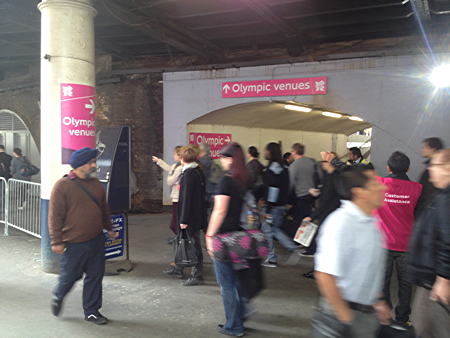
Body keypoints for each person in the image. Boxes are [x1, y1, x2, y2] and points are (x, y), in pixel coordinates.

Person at [312, 166, 392, 338]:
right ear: (359, 192)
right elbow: (325, 275)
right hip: (341, 314)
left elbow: (369, 268)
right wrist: (346, 319)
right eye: (375, 183)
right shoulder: (340, 224)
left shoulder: (371, 222)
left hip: (366, 314)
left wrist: (378, 301)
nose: (383, 187)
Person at [48, 147, 118, 325]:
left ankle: (92, 311)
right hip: (73, 243)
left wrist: (109, 228)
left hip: (96, 240)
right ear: (79, 166)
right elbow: (55, 216)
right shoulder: (62, 186)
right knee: (70, 276)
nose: (94, 165)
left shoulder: (96, 184)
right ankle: (58, 294)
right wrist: (56, 241)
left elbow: (103, 209)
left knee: (95, 276)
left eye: (94, 162)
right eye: (90, 163)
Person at [205, 142, 254, 337]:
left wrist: (209, 235)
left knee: (227, 284)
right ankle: (239, 319)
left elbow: (220, 210)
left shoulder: (226, 181)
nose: (222, 161)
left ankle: (234, 326)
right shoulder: (245, 179)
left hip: (224, 238)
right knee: (238, 282)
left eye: (225, 157)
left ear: (232, 159)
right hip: (242, 238)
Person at [374, 151, 422, 327]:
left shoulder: (378, 184)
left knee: (383, 282)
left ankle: (385, 317)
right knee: (405, 283)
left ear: (388, 167)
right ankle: (402, 318)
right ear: (408, 168)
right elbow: (418, 215)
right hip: (407, 245)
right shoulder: (417, 189)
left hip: (383, 244)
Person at [408, 148, 450, 338]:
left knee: (427, 327)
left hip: (434, 282)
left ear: (448, 168)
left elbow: (447, 239)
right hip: (432, 278)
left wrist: (443, 279)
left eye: (434, 165)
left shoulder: (445, 199)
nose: (430, 169)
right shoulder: (441, 195)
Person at [165, 145, 207, 286]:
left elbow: (187, 199)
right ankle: (180, 267)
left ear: (182, 158)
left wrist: (183, 219)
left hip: (190, 216)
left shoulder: (189, 174)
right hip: (197, 214)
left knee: (193, 244)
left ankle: (197, 275)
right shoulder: (197, 171)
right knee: (188, 241)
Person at [301, 160, 342, 278]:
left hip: (327, 216)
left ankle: (319, 271)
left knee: (322, 245)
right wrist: (319, 192)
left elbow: (326, 201)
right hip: (332, 215)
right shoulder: (335, 177)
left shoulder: (330, 178)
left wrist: (312, 216)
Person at [261, 142, 299, 268]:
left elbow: (273, 188)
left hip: (274, 206)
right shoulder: (284, 167)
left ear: (270, 152)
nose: (264, 152)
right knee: (272, 229)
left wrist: (268, 207)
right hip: (280, 204)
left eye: (266, 150)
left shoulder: (274, 168)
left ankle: (276, 256)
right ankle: (282, 252)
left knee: (270, 230)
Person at [152, 146, 183, 237]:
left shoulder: (179, 168)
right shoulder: (176, 166)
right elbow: (169, 168)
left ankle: (180, 238)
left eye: (174, 154)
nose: (173, 155)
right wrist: (159, 161)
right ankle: (179, 237)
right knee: (175, 220)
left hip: (177, 197)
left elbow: (170, 181)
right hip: (175, 196)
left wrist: (169, 177)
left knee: (175, 221)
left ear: (179, 155)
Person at [289, 143, 317, 226]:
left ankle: (303, 237)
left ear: (295, 152)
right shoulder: (312, 161)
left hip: (301, 195)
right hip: (314, 194)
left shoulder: (294, 165)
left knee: (302, 219)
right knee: (310, 217)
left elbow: (290, 182)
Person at [416, 137, 444, 217]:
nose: (422, 149)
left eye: (425, 147)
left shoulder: (435, 168)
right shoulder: (433, 165)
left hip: (424, 211)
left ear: (433, 149)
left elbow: (429, 192)